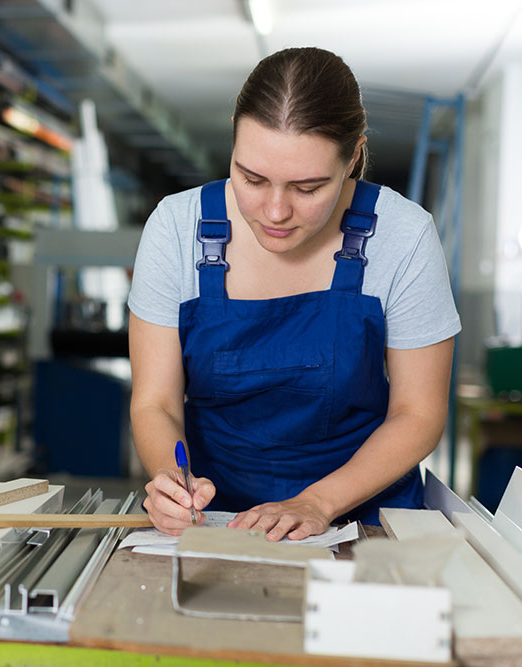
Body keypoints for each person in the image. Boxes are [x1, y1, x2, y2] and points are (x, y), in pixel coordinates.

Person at [127, 47, 461, 541]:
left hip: (362, 520)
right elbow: (155, 401)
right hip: (217, 523)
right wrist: (170, 483)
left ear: (352, 159)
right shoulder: (176, 228)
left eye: (308, 187)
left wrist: (318, 502)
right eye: (252, 178)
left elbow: (419, 413)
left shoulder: (404, 236)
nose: (276, 211)